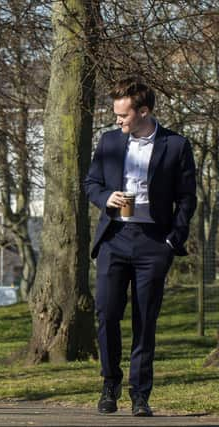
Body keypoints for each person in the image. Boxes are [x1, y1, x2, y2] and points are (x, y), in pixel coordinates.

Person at [84, 78, 196, 417]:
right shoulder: (109, 142)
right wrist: (107, 198)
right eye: (116, 114)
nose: (117, 121)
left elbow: (187, 197)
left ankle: (140, 394)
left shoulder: (175, 145)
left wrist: (173, 239)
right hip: (114, 239)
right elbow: (92, 183)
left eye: (123, 115)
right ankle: (109, 383)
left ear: (143, 112)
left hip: (153, 243)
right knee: (106, 314)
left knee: (145, 321)